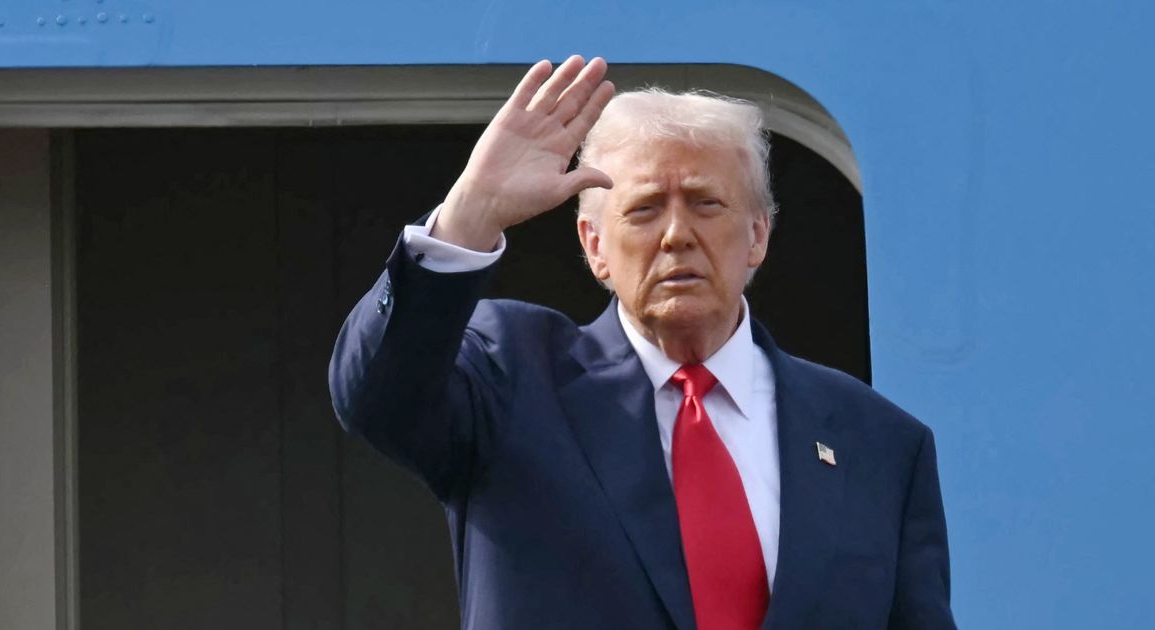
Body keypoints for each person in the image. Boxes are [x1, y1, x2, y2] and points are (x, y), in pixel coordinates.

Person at [328, 55, 956, 629]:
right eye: (645, 208)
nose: (678, 233)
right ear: (594, 245)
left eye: (707, 204)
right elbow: (376, 397)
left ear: (758, 237)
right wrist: (471, 211)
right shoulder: (512, 377)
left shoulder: (878, 442)